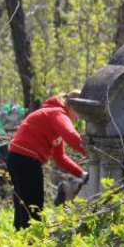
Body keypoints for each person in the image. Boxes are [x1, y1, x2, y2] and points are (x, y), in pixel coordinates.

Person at [7, 90, 87, 230]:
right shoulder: (58, 114)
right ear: (72, 107)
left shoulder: (54, 117)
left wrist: (81, 174)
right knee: (33, 204)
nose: (79, 117)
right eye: (79, 112)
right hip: (26, 159)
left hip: (17, 157)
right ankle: (31, 242)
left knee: (23, 204)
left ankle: (20, 237)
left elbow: (60, 157)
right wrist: (91, 152)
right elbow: (71, 137)